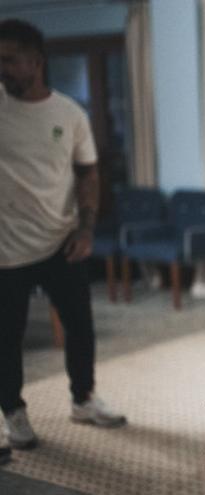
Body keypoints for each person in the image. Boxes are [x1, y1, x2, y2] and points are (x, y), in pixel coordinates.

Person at [0, 19, 126, 462]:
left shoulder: (70, 114)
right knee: (6, 338)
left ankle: (82, 399)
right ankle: (13, 411)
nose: (4, 69)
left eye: (11, 60)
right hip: (5, 251)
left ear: (37, 61)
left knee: (80, 327)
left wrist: (86, 228)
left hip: (61, 241)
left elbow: (87, 172)